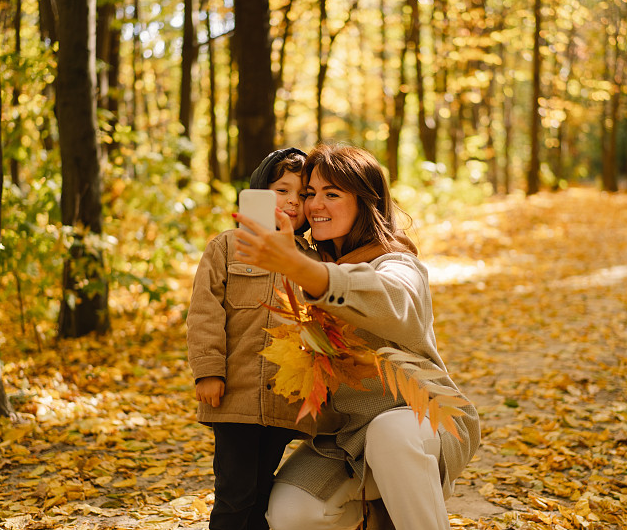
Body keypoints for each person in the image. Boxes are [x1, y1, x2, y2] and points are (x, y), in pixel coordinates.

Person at [233, 143, 481, 530]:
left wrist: (302, 270)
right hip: (345, 438)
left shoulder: (397, 261)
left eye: (332, 194)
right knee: (292, 514)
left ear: (366, 203)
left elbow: (393, 299)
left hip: (420, 419)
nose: (315, 204)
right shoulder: (307, 263)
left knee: (390, 434)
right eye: (310, 193)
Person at [186, 148, 318, 530]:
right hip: (235, 395)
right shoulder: (227, 246)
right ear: (259, 192)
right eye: (282, 190)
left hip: (282, 398)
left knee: (263, 493)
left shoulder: (312, 257)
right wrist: (208, 371)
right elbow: (204, 312)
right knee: (235, 492)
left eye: (303, 194)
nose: (293, 201)